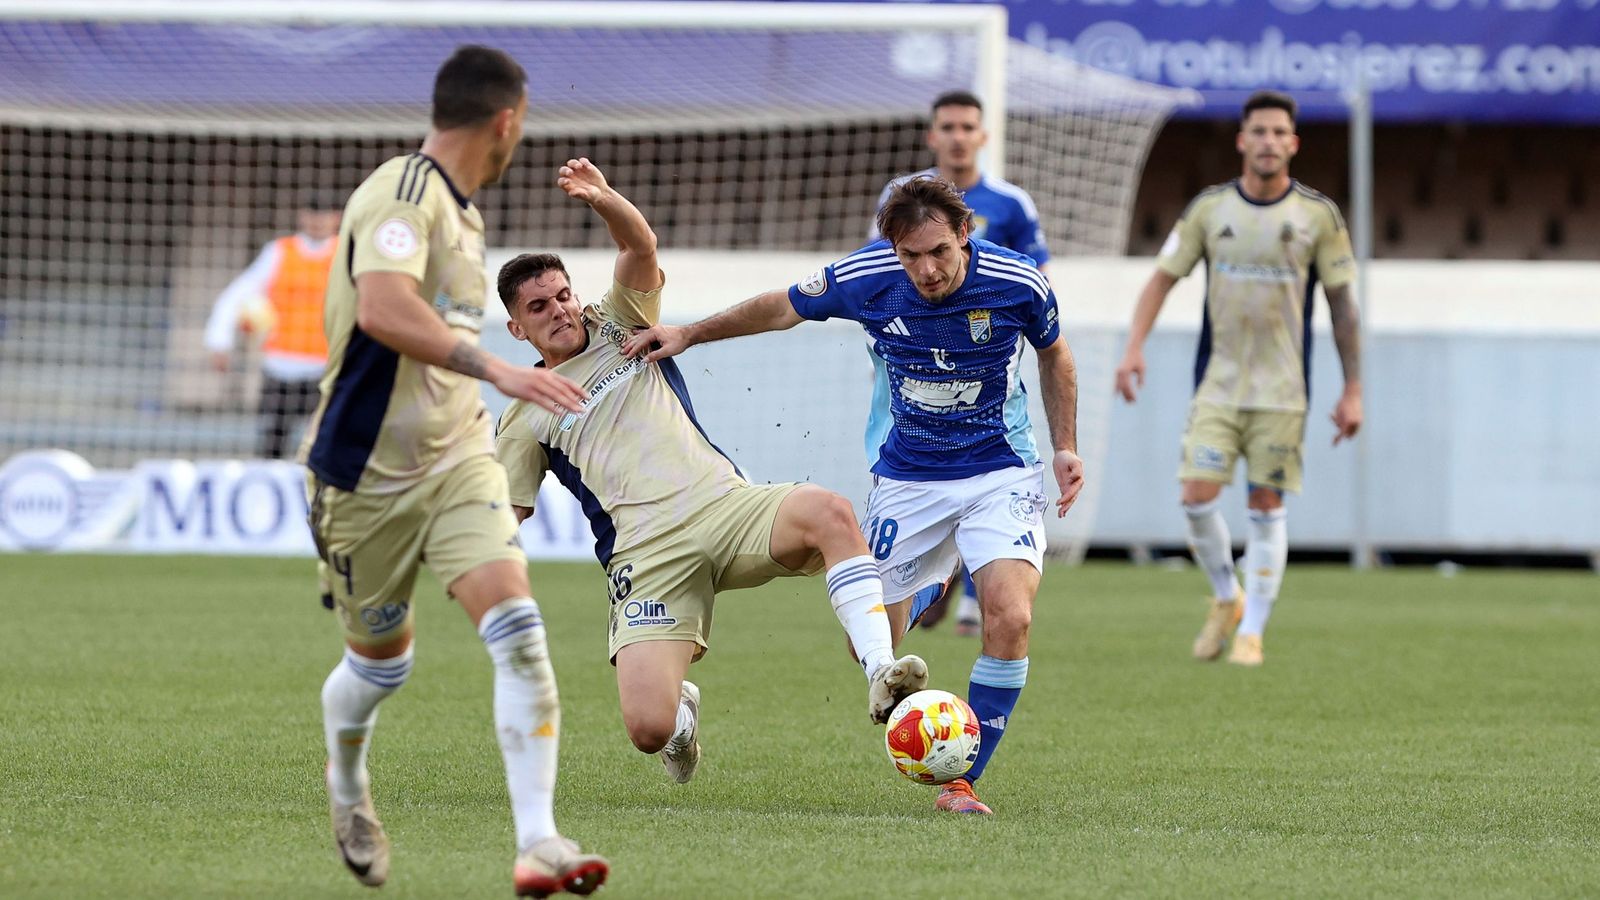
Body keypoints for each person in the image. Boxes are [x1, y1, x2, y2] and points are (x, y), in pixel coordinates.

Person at [623, 176, 1086, 817]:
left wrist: (1064, 444)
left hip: (998, 471)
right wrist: (691, 334)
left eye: (938, 253)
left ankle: (961, 782)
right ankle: (933, 582)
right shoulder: (867, 276)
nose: (925, 270)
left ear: (964, 235)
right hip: (908, 480)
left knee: (1011, 616)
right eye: (909, 256)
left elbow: (1055, 355)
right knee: (870, 645)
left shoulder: (1018, 282)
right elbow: (781, 307)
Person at [493, 158, 930, 787]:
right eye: (540, 307)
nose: (560, 310)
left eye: (563, 294)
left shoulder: (620, 320)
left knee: (831, 512)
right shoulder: (525, 411)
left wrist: (606, 197)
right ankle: (681, 719)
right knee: (646, 728)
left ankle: (881, 675)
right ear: (517, 327)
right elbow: (508, 515)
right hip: (647, 556)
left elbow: (638, 244)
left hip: (726, 507)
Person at [300, 46, 607, 897]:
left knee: (520, 632)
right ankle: (349, 784)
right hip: (362, 476)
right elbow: (383, 308)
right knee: (380, 667)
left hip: (456, 462)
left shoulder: (466, 218)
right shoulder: (402, 195)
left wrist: (474, 391)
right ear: (507, 120)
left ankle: (539, 841)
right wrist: (499, 369)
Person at [1113, 90, 1362, 668]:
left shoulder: (1317, 216)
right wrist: (1132, 348)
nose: (1269, 142)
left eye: (1280, 132)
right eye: (1260, 131)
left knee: (1265, 504)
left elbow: (1343, 306)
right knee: (1195, 497)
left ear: (1293, 143)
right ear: (1242, 140)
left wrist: (1352, 390)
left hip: (1283, 392)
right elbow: (1160, 279)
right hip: (1219, 387)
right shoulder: (1210, 209)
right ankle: (1228, 597)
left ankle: (1252, 632)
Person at [871, 90, 1054, 638]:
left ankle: (976, 595)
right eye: (947, 126)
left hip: (985, 372)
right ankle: (932, 579)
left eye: (966, 126)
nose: (957, 135)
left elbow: (1039, 281)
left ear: (982, 135)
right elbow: (875, 270)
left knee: (991, 473)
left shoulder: (1011, 203)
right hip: (908, 371)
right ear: (933, 135)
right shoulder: (901, 196)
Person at [203, 191, 341, 458]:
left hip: (325, 370)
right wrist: (219, 341)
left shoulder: (345, 254)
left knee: (325, 444)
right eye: (312, 214)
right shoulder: (280, 252)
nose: (317, 222)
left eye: (324, 215)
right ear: (302, 217)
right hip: (280, 368)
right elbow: (237, 294)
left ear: (336, 218)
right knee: (272, 444)